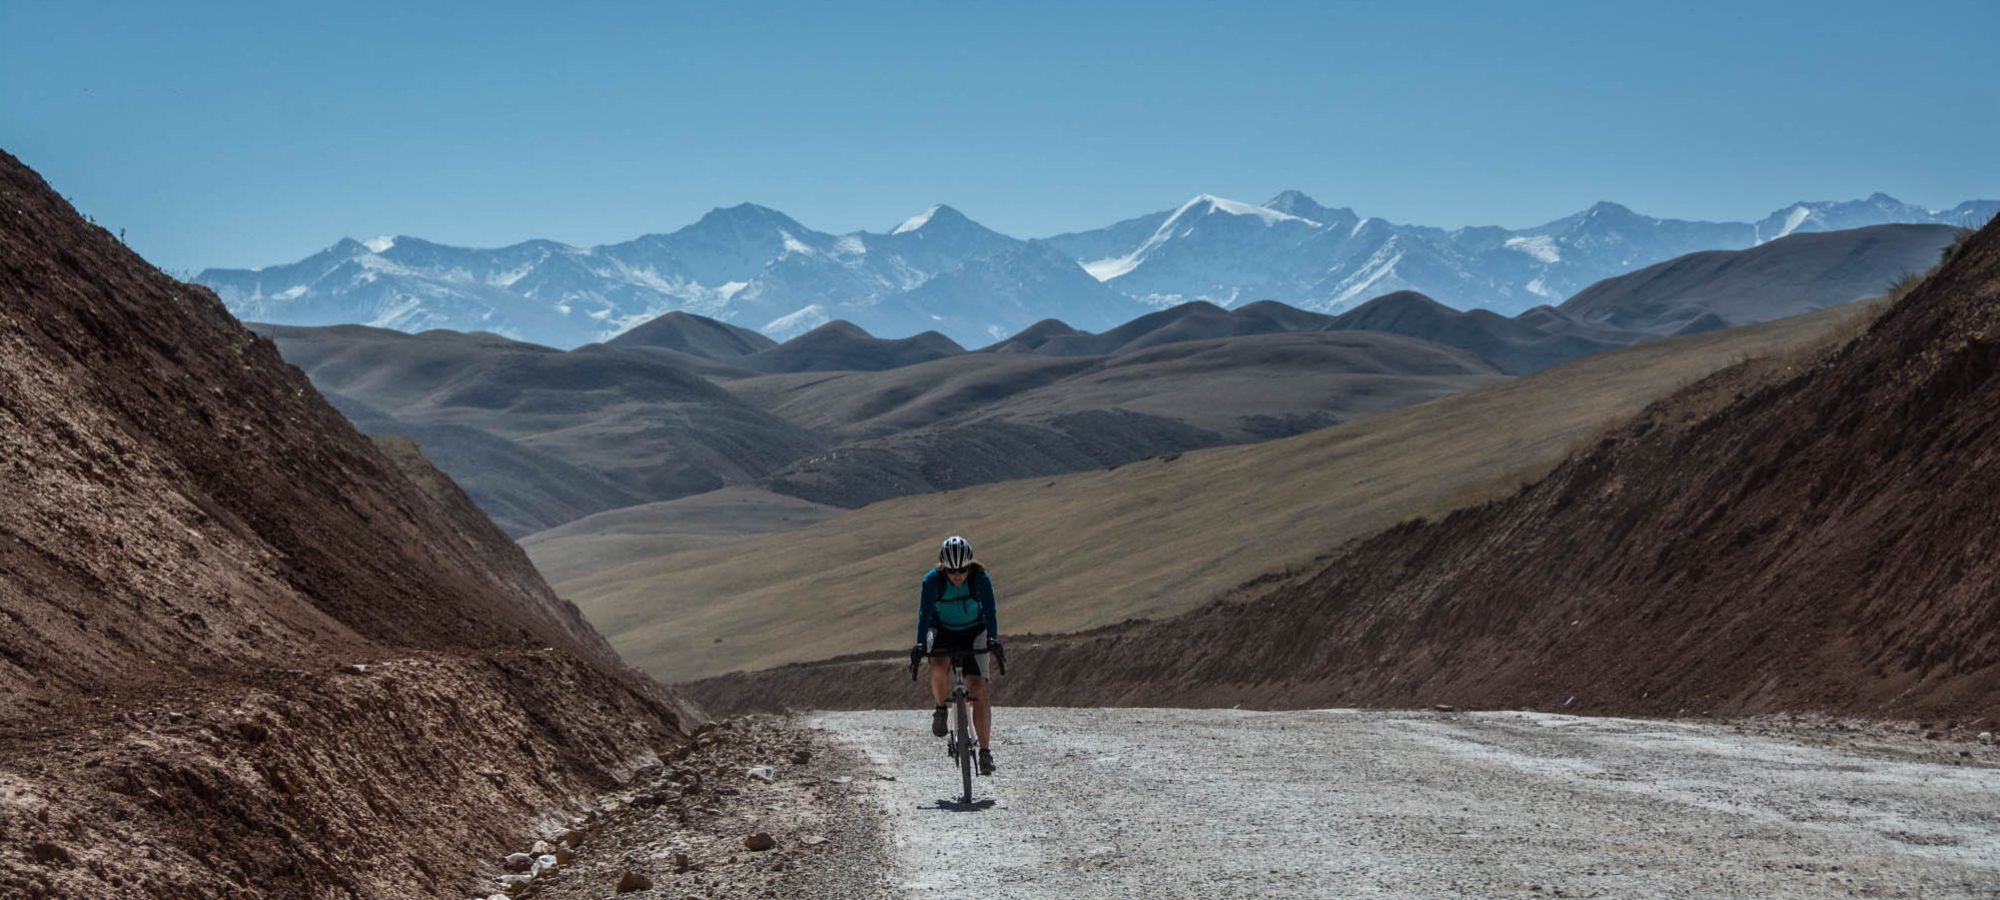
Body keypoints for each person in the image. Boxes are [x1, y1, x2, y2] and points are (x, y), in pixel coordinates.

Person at [910, 535, 1001, 775]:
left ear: (969, 565)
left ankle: (985, 751)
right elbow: (924, 612)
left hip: (974, 629)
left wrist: (993, 638)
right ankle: (940, 709)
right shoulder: (932, 581)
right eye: (951, 571)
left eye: (962, 569)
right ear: (944, 568)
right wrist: (920, 644)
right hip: (942, 630)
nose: (957, 575)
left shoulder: (980, 577)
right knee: (938, 665)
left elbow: (990, 610)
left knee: (978, 687)